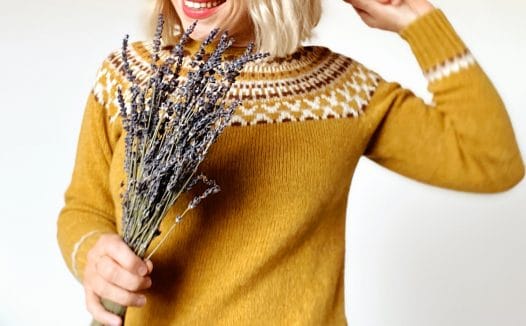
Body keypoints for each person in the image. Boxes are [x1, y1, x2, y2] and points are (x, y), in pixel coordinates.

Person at [56, 0, 525, 325]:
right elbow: (84, 208)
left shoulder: (341, 90)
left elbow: (490, 160)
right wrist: (92, 255)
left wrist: (417, 19)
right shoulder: (129, 77)